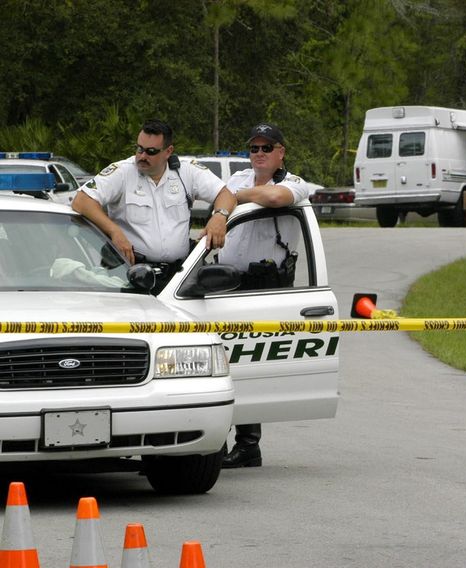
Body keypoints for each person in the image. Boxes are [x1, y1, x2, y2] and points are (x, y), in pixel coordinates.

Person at [219, 122, 315, 469]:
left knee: (247, 364)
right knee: (222, 363)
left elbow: (274, 199)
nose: (258, 154)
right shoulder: (237, 179)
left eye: (266, 148)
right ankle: (218, 441)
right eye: (254, 148)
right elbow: (220, 203)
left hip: (264, 288)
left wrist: (237, 198)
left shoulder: (294, 184)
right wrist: (233, 197)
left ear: (280, 152)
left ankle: (247, 445)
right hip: (226, 284)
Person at [72, 119, 236, 293]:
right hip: (132, 276)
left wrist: (219, 216)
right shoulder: (122, 172)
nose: (142, 156)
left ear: (168, 151)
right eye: (139, 149)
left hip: (178, 278)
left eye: (151, 151)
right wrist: (114, 231)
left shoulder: (186, 172)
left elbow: (226, 195)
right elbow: (81, 201)